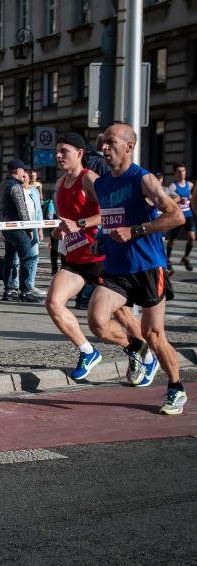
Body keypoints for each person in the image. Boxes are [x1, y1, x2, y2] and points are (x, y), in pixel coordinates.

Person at [87, 124, 186, 415]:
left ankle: (176, 388)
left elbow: (176, 216)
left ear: (129, 147)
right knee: (97, 321)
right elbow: (108, 218)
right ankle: (137, 349)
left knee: (155, 334)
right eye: (103, 143)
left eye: (111, 143)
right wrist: (100, 240)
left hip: (147, 267)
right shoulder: (102, 184)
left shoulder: (143, 179)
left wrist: (136, 230)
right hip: (117, 269)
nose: (104, 147)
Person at [46, 132, 155, 383]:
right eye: (57, 152)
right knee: (53, 303)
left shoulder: (90, 180)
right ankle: (88, 351)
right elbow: (70, 221)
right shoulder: (61, 183)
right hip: (75, 257)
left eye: (65, 151)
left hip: (102, 258)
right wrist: (62, 229)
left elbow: (112, 212)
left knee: (123, 316)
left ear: (80, 154)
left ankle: (148, 356)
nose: (59, 156)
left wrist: (80, 223)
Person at [0, 158, 42, 303]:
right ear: (17, 171)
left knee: (9, 259)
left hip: (6, 226)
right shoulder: (16, 186)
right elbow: (22, 209)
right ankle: (25, 291)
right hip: (16, 227)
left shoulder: (2, 185)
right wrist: (28, 227)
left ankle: (8, 291)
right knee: (27, 257)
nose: (25, 172)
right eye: (23, 169)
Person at [165, 162, 194, 273]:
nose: (182, 173)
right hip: (177, 215)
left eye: (183, 171)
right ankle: (168, 259)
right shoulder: (172, 186)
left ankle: (185, 257)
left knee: (192, 237)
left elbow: (190, 197)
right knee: (172, 240)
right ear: (174, 173)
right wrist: (177, 201)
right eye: (179, 171)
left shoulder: (190, 185)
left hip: (188, 214)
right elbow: (167, 201)